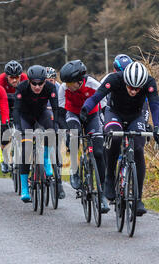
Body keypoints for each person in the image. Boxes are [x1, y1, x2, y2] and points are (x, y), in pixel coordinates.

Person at [82, 61, 159, 216]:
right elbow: (97, 97)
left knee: (138, 148)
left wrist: (157, 127)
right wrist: (85, 109)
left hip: (135, 116)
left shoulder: (150, 83)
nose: (133, 91)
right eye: (130, 87)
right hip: (115, 114)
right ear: (125, 81)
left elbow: (155, 105)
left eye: (137, 89)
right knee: (114, 138)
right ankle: (110, 177)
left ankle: (138, 198)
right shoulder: (115, 79)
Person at [58, 60, 109, 213]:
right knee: (74, 137)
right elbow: (60, 113)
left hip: (92, 115)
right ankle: (74, 171)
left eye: (70, 82)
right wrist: (66, 131)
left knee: (99, 152)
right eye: (65, 82)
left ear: (80, 81)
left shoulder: (93, 85)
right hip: (72, 114)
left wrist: (105, 127)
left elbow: (105, 108)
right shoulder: (63, 88)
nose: (67, 85)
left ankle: (102, 192)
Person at [13, 65, 57, 203]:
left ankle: (45, 158)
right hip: (25, 117)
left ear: (45, 81)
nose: (37, 87)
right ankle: (25, 188)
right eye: (34, 83)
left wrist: (56, 126)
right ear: (29, 81)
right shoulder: (21, 88)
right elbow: (16, 111)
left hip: (41, 114)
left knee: (51, 130)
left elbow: (56, 109)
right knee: (26, 152)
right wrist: (19, 128)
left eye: (40, 83)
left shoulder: (50, 87)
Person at [0, 60, 28, 173]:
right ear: (6, 76)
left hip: (20, 104)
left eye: (17, 77)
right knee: (3, 130)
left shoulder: (25, 79)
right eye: (11, 77)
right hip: (5, 105)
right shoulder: (0, 80)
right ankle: (4, 160)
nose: (14, 80)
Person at [46, 66, 66, 199]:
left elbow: (62, 108)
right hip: (41, 116)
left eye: (51, 80)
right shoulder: (39, 88)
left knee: (58, 135)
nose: (49, 83)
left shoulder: (59, 88)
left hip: (55, 116)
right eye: (47, 80)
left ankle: (58, 181)